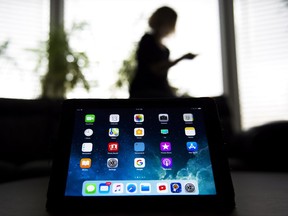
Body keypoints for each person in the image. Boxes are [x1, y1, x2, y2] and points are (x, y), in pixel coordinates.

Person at [129, 6, 197, 98]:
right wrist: (182, 58)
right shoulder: (147, 40)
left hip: (158, 91)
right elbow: (154, 69)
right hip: (144, 90)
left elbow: (162, 78)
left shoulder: (166, 50)